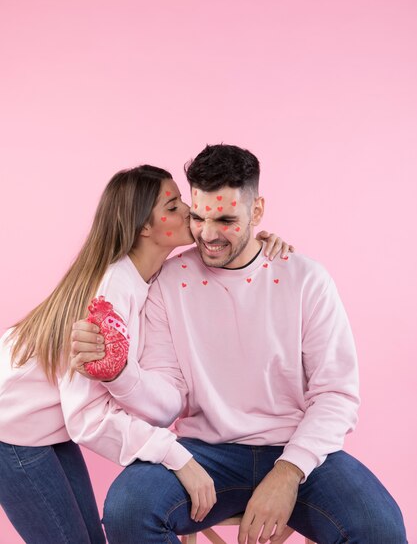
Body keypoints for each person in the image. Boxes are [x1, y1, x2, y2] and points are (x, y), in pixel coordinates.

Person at [71, 144, 407, 544]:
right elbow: (168, 398)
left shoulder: (306, 279)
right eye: (197, 216)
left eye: (227, 219)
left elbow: (336, 394)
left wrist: (288, 472)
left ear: (257, 212)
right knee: (128, 509)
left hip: (296, 449)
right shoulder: (166, 283)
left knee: (381, 529)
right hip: (205, 453)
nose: (207, 235)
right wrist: (122, 373)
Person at [0, 163, 288, 544]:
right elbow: (86, 418)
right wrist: (177, 456)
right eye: (172, 207)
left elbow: (227, 248)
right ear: (143, 228)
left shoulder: (145, 277)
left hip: (44, 429)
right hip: (12, 430)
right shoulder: (110, 293)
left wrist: (257, 243)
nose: (188, 211)